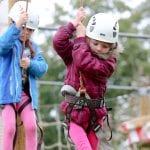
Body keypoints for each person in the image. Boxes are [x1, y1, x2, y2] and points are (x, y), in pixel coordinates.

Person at [53, 7, 123, 150]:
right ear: (88, 38)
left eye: (104, 46)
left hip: (94, 118)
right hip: (75, 116)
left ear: (112, 47)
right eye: (95, 43)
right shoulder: (76, 50)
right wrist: (73, 24)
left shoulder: (108, 63)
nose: (98, 48)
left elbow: (85, 62)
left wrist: (80, 40)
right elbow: (58, 42)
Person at [0, 1, 48, 150]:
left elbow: (42, 68)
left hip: (24, 95)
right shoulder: (9, 43)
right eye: (22, 28)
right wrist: (17, 26)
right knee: (9, 129)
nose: (25, 32)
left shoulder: (34, 48)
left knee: (31, 127)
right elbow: (2, 46)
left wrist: (30, 64)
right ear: (14, 24)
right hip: (7, 94)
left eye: (30, 30)